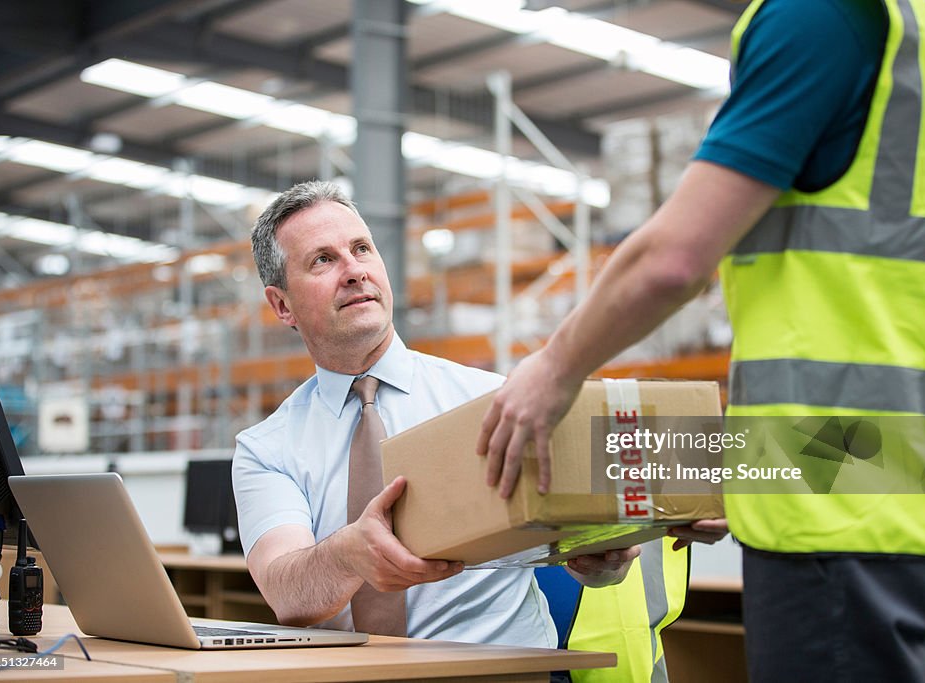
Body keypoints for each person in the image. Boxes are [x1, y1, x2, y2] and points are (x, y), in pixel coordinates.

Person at [477, 1, 925, 681]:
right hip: (899, 481)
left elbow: (675, 259)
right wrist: (717, 484)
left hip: (838, 519)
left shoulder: (817, 16)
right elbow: (852, 340)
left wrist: (553, 367)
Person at [231, 180, 638, 645]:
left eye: (362, 249)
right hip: (350, 679)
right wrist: (347, 555)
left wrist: (599, 560)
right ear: (282, 305)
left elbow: (586, 556)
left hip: (500, 674)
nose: (353, 271)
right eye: (323, 259)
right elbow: (288, 596)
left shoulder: (495, 401)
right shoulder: (266, 448)